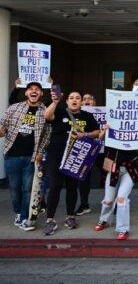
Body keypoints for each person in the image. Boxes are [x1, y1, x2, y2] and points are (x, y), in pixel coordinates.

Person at [43, 91, 100, 235]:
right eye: (71, 98)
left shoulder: (87, 116)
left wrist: (85, 134)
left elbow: (97, 132)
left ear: (81, 102)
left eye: (78, 98)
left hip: (75, 157)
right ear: (67, 101)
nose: (74, 100)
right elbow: (46, 116)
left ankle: (70, 216)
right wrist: (55, 102)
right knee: (55, 186)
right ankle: (50, 220)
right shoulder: (60, 111)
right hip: (56, 155)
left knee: (72, 187)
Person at [0, 82, 51, 231]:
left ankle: (24, 217)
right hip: (11, 156)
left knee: (28, 189)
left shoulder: (46, 111)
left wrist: (40, 152)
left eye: (37, 89)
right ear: (26, 93)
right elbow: (2, 127)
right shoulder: (14, 108)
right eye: (31, 89)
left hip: (31, 157)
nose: (34, 91)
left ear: (41, 93)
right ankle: (18, 212)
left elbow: (47, 135)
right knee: (14, 188)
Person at [93, 126, 138, 240]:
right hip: (113, 167)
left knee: (121, 198)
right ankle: (104, 219)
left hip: (130, 167)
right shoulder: (112, 122)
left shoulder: (136, 124)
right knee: (108, 200)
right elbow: (100, 138)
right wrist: (105, 130)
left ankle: (123, 228)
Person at [75, 93, 104, 216]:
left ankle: (111, 202)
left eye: (90, 98)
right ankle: (84, 204)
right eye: (84, 99)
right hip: (85, 150)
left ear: (94, 102)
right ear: (81, 103)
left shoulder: (104, 112)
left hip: (103, 150)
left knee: (107, 176)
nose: (87, 100)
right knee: (84, 178)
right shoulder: (79, 115)